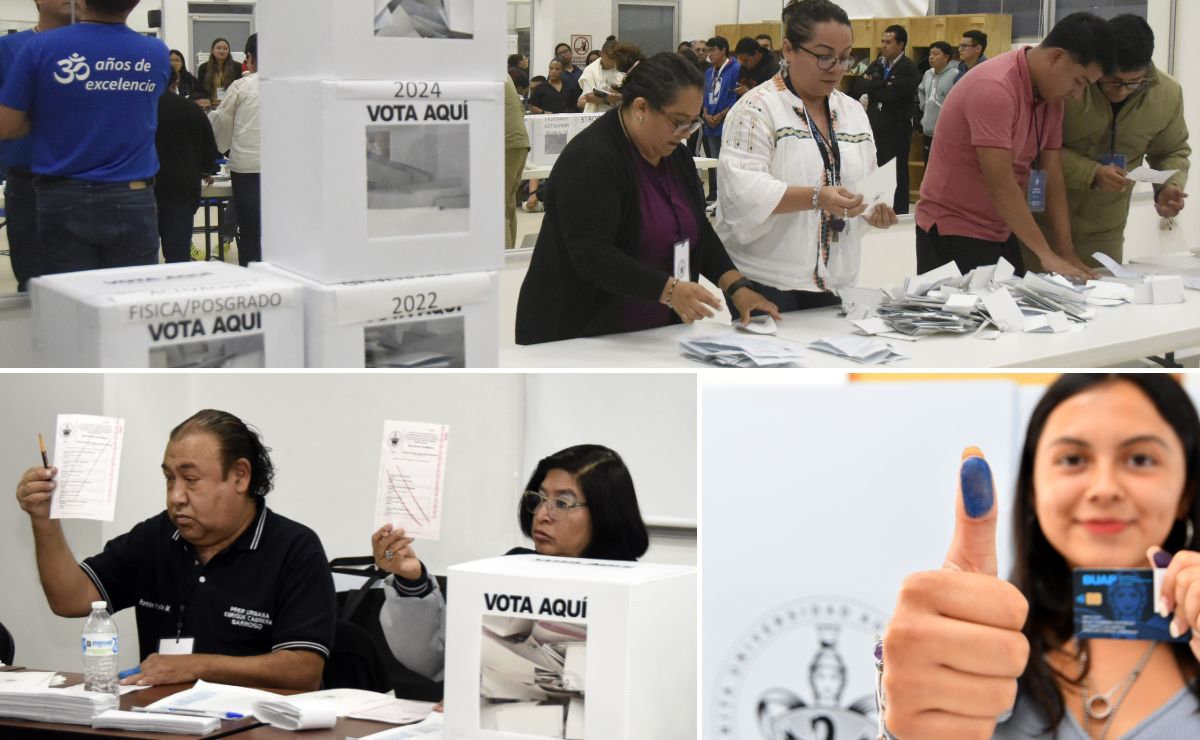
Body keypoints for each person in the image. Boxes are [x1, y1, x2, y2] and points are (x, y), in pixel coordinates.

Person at [882, 373, 1200, 738]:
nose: (1104, 489)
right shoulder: (970, 649)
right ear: (1033, 488)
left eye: (1141, 459)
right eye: (1072, 459)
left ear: (1188, 489)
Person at [14, 409, 337, 690]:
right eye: (169, 479)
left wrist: (197, 667)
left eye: (190, 479)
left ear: (240, 476)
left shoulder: (295, 549)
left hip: (256, 727)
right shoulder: (156, 535)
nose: (176, 496)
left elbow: (303, 671)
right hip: (161, 723)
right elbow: (69, 600)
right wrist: (44, 521)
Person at [514, 46, 780, 345]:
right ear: (641, 107)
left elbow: (697, 230)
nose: (687, 132)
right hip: (581, 332)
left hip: (654, 331)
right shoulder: (591, 160)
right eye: (678, 121)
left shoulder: (674, 156)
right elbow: (593, 255)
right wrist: (669, 290)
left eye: (693, 121)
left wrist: (736, 286)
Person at [371, 445, 652, 682]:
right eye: (540, 498)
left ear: (605, 513)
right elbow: (438, 659)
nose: (542, 514)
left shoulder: (636, 593)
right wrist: (412, 580)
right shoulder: (510, 571)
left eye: (563, 504)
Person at [716, 0, 898, 314]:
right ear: (789, 49)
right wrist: (816, 197)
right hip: (767, 277)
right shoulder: (756, 109)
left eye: (845, 58)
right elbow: (741, 193)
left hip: (836, 276)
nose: (838, 69)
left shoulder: (852, 111)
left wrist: (872, 207)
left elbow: (867, 178)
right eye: (825, 57)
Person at [915, 13, 1115, 281]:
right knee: (966, 320)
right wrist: (1045, 253)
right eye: (1078, 81)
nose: (1077, 94)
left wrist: (1065, 251)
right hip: (954, 228)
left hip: (1000, 228)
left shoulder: (1050, 98)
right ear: (1056, 57)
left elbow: (1053, 175)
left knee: (1015, 316)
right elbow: (1000, 182)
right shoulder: (995, 87)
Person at [0, 0, 168, 276]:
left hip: (61, 193)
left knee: (68, 303)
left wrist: (54, 114)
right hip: (132, 194)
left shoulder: (39, 47)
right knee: (130, 303)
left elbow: (7, 126)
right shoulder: (156, 53)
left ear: (81, 2)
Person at [1030, 14, 1189, 269]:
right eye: (1112, 81)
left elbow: (1173, 150)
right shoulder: (1070, 85)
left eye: (1133, 83)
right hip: (1041, 222)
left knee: (1102, 300)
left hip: (1105, 229)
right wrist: (1091, 172)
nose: (1121, 91)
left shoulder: (1167, 94)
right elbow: (1033, 146)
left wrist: (1168, 186)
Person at [0, 0, 77, 291]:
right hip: (27, 178)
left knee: (83, 281)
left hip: (87, 179)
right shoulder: (8, 48)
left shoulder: (98, 46)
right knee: (31, 281)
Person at [850, 24, 919, 214]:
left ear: (901, 44)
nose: (884, 45)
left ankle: (898, 211)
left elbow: (892, 94)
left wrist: (873, 87)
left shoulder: (908, 67)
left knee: (897, 171)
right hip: (875, 127)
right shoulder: (877, 64)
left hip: (897, 129)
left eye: (888, 42)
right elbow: (857, 86)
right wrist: (882, 85)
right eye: (882, 41)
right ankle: (876, 209)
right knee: (875, 169)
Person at [155, 67, 220, 263]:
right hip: (182, 188)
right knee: (178, 255)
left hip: (144, 187)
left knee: (138, 260)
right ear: (175, 83)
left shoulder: (139, 106)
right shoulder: (191, 108)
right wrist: (204, 170)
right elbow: (210, 149)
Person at [209, 34, 260, 266]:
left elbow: (222, 131)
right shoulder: (296, 87)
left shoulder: (241, 87)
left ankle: (255, 285)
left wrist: (222, 149)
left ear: (249, 58)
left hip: (248, 169)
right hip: (288, 171)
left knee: (250, 233)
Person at [702, 36, 739, 205]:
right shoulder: (709, 72)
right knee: (714, 160)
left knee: (728, 161)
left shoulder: (735, 68)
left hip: (727, 121)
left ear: (723, 50)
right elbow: (704, 95)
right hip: (710, 122)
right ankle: (715, 194)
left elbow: (737, 96)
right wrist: (705, 113)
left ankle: (728, 196)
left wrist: (722, 115)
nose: (709, 54)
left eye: (712, 50)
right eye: (707, 51)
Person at [917, 40, 957, 163]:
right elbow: (921, 90)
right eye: (930, 54)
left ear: (946, 57)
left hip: (945, 134)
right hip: (927, 130)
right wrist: (923, 105)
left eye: (936, 54)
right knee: (928, 166)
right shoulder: (928, 74)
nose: (931, 57)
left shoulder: (955, 75)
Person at [503, 75, 529, 248]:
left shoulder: (488, 72)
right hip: (517, 141)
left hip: (505, 142)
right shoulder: (501, 73)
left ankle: (501, 258)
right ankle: (508, 253)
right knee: (508, 203)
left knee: (496, 205)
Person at [577, 38, 623, 113]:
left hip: (619, 112)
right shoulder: (590, 70)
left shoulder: (622, 68)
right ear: (601, 54)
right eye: (608, 59)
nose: (610, 63)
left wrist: (619, 95)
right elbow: (588, 97)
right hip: (596, 114)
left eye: (613, 60)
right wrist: (607, 99)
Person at [196, 38, 241, 107]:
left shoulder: (237, 67)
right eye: (218, 48)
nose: (222, 51)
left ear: (228, 51)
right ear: (212, 50)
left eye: (225, 48)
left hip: (231, 107)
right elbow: (200, 90)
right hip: (210, 107)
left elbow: (240, 89)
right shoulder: (204, 67)